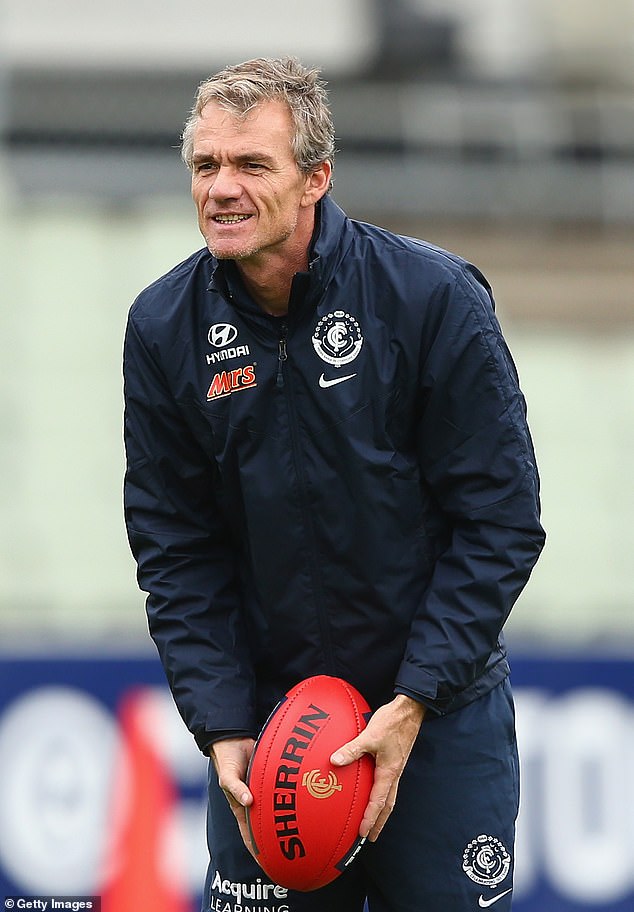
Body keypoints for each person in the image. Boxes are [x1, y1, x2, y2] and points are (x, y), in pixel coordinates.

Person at [123, 56, 545, 911]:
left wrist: (416, 698)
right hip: (275, 738)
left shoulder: (433, 299)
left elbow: (500, 520)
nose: (222, 188)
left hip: (436, 723)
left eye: (252, 164)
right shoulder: (163, 327)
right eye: (206, 165)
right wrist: (224, 725)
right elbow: (175, 548)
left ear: (316, 177)